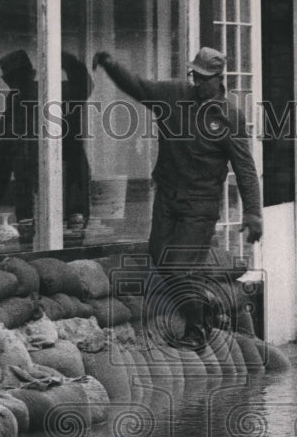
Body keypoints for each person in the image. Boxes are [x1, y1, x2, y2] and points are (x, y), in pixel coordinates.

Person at [91, 46, 262, 344]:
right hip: (168, 197)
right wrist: (111, 65)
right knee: (160, 255)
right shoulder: (173, 95)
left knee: (177, 265)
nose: (196, 82)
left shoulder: (229, 117)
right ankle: (203, 305)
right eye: (193, 75)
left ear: (219, 79)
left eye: (203, 78)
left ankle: (198, 327)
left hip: (200, 206)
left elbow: (245, 168)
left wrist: (253, 213)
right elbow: (139, 87)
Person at [0, 50, 93, 241]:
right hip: (30, 196)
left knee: (70, 249)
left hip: (68, 190)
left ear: (30, 75)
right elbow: (3, 162)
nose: (18, 84)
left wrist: (60, 54)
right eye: (14, 80)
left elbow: (84, 84)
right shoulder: (13, 109)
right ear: (8, 82)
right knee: (32, 246)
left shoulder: (57, 93)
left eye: (21, 77)